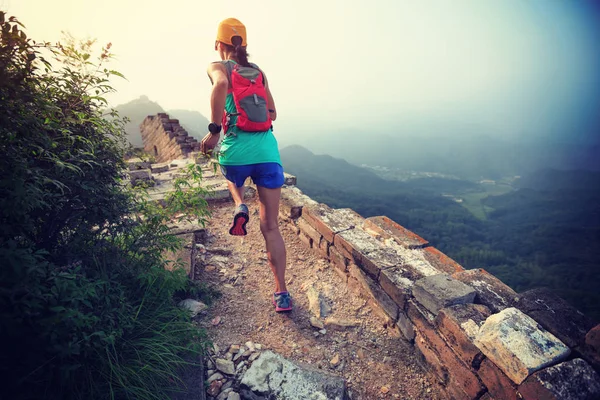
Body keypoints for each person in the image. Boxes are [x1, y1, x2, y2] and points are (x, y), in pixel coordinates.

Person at [200, 18, 292, 312]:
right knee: (271, 226)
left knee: (229, 170)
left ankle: (239, 202)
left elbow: (222, 85)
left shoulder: (218, 66)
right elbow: (273, 113)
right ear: (244, 45)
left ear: (219, 44)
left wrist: (215, 131)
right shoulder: (260, 73)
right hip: (267, 153)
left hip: (236, 151)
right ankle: (282, 293)